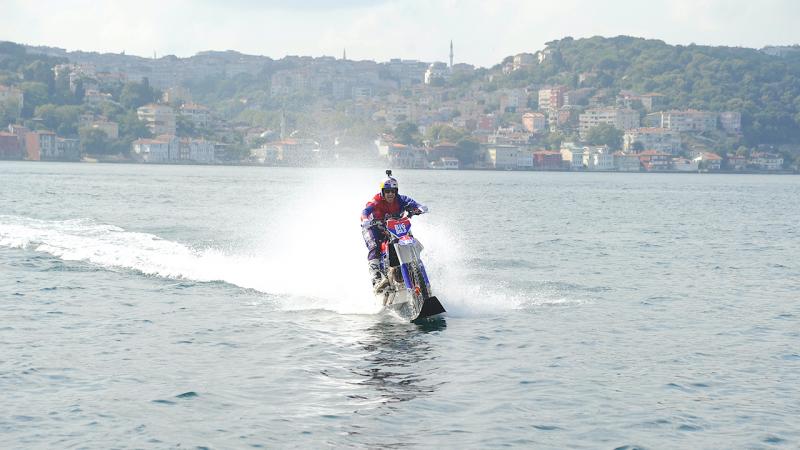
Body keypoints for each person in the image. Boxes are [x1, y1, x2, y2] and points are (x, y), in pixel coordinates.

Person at [361, 172, 427, 293]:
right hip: (374, 228)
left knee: (410, 238)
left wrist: (420, 208)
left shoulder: (401, 199)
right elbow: (366, 211)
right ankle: (376, 278)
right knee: (374, 247)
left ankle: (421, 281)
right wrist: (365, 219)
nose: (390, 194)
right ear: (382, 192)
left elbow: (414, 204)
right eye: (387, 191)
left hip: (395, 229)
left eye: (393, 191)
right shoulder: (376, 201)